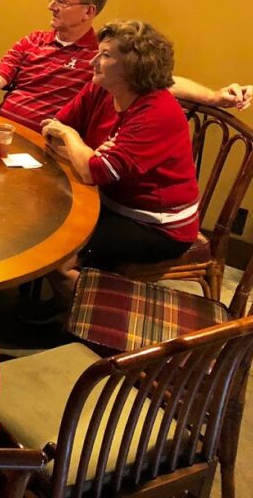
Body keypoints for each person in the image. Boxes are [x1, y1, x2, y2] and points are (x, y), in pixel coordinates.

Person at [0, 0, 253, 130]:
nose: (50, 7)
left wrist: (214, 97)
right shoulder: (32, 41)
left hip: (45, 150)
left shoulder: (103, 57)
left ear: (88, 11)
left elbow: (162, 80)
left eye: (61, 1)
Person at [31, 20, 200, 321]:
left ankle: (82, 321)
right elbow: (53, 129)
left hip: (156, 226)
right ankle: (69, 301)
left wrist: (73, 140)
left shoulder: (157, 113)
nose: (94, 60)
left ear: (134, 67)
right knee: (38, 218)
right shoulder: (101, 89)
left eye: (106, 56)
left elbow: (92, 170)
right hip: (110, 200)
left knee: (56, 252)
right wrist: (81, 150)